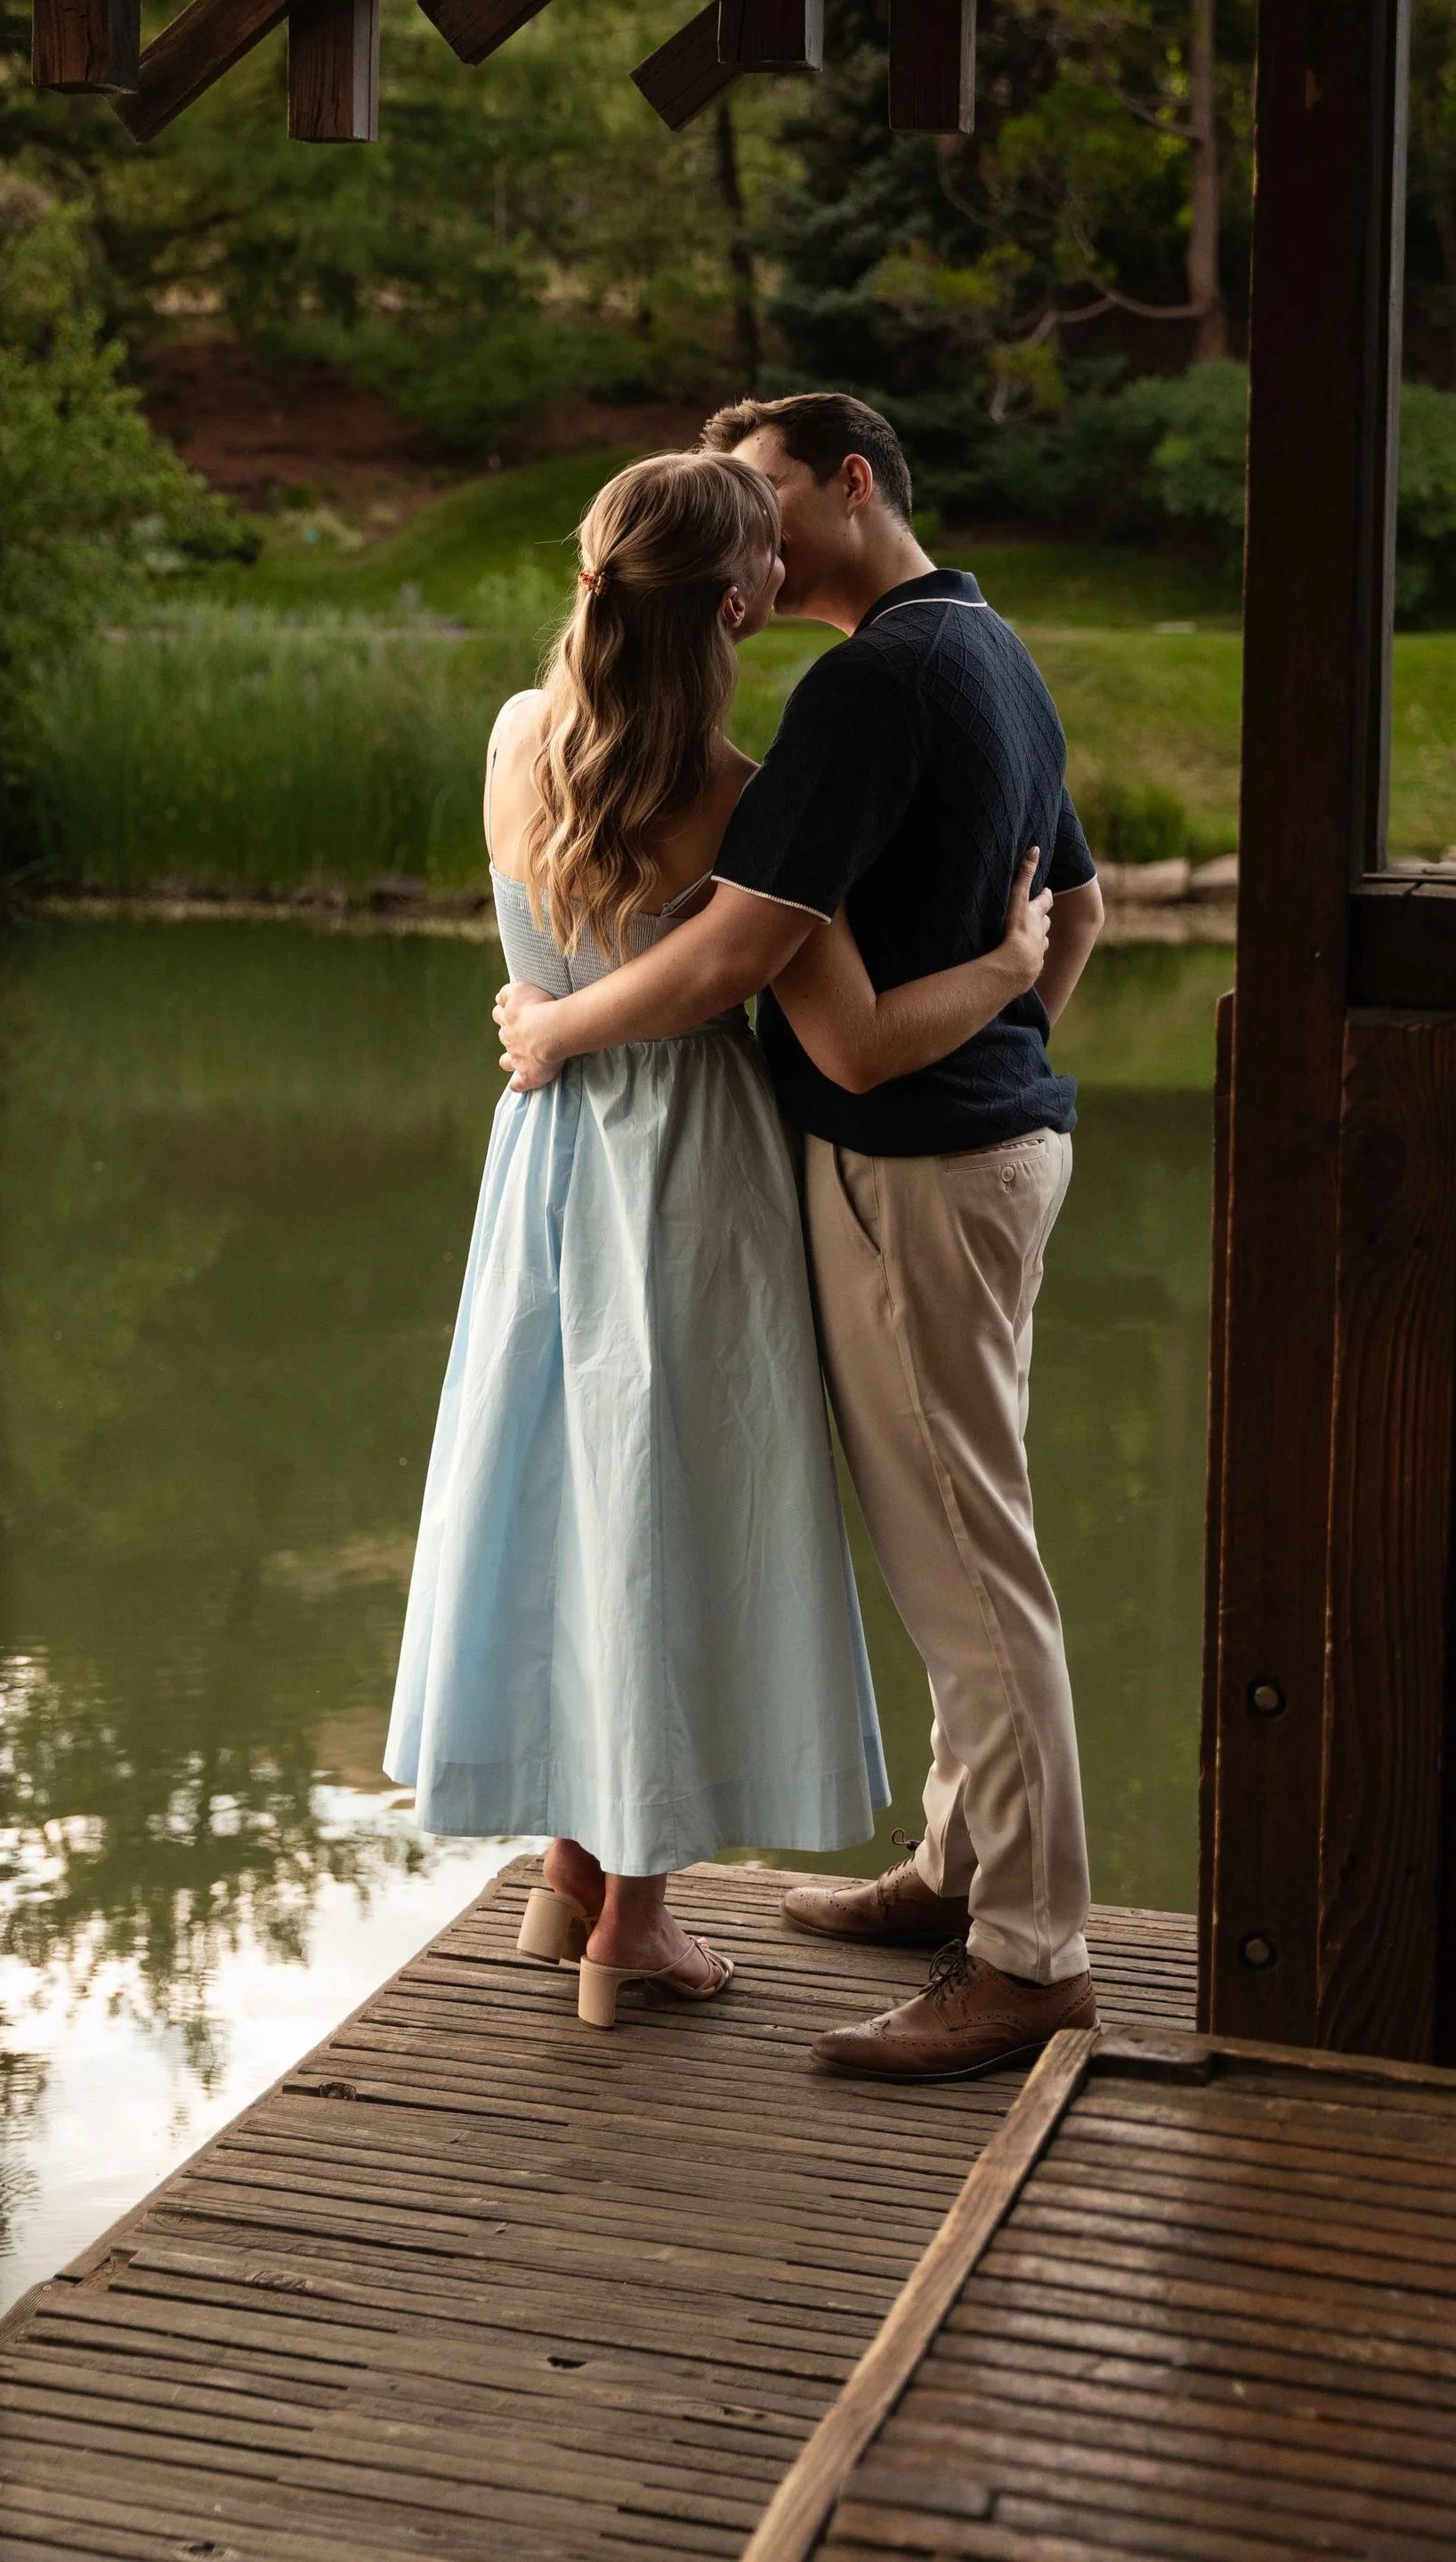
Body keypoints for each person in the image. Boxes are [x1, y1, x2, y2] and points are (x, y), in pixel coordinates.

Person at [385, 449, 1056, 2031]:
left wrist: (550, 1028)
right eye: (762, 552)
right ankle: (638, 1925)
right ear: (742, 601)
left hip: (545, 1161)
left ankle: (566, 1876)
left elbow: (556, 969)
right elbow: (859, 1038)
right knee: (668, 1507)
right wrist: (1014, 963)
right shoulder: (734, 793)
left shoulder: (511, 737)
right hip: (686, 1166)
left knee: (567, 1492)